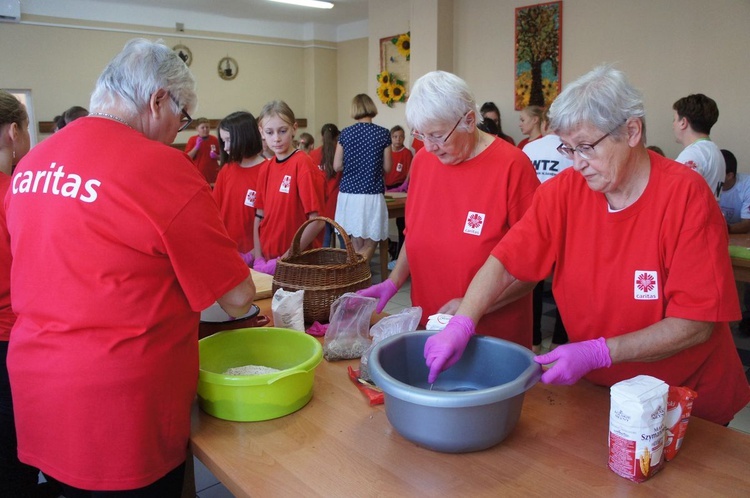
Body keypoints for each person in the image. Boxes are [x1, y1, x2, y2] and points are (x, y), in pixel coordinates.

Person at [423, 65, 750, 426]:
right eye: (568, 148)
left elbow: (695, 323)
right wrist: (464, 321)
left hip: (682, 401)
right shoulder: (565, 193)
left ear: (631, 131)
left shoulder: (685, 196)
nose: (577, 163)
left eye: (586, 148)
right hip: (600, 393)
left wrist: (600, 351)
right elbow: (505, 260)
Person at [5, 38, 256, 496]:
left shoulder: (32, 163)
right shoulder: (160, 167)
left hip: (40, 385)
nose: (179, 132)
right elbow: (238, 298)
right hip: (119, 406)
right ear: (158, 99)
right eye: (182, 118)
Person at [357, 71, 539, 347]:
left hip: (492, 336)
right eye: (420, 135)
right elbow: (413, 234)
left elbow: (532, 268)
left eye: (438, 136)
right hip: (428, 324)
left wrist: (471, 307)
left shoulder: (513, 166)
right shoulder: (423, 162)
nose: (429, 147)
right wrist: (394, 280)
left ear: (468, 120)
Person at [521, 107, 573, 353]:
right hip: (567, 225)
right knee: (566, 283)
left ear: (543, 124)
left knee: (531, 284)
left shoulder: (529, 149)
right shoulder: (571, 152)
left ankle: (532, 339)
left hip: (534, 224)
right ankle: (559, 341)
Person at [253, 100, 324, 267]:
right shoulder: (265, 168)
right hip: (269, 257)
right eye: (270, 132)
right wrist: (258, 257)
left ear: (294, 128)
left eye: (282, 131)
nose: (276, 138)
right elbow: (259, 216)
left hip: (297, 262)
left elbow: (317, 221)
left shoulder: (303, 164)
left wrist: (284, 259)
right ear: (261, 132)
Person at [334, 94, 392, 262]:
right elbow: (388, 167)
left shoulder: (345, 133)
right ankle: (360, 274)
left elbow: (337, 165)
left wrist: (353, 166)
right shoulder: (382, 133)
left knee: (355, 244)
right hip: (371, 193)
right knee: (371, 241)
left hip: (349, 194)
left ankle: (356, 277)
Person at [213, 111, 267, 266]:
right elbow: (215, 211)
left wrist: (254, 254)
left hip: (255, 256)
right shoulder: (227, 170)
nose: (226, 147)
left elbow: (269, 222)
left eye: (229, 140)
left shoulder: (266, 170)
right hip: (227, 252)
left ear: (245, 137)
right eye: (223, 141)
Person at [672, 93, 725, 199]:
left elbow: (677, 196)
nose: (673, 125)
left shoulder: (692, 154)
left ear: (683, 122)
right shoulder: (715, 152)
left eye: (674, 119)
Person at [309, 123, 342, 247]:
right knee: (344, 238)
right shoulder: (340, 153)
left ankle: (324, 265)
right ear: (337, 137)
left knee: (324, 238)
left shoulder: (312, 154)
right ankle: (350, 264)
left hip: (320, 200)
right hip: (336, 201)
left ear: (322, 136)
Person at [384, 125, 413, 266]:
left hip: (400, 189)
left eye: (401, 137)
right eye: (395, 137)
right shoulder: (387, 151)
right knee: (382, 222)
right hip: (386, 189)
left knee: (401, 223)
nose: (398, 139)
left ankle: (399, 256)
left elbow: (410, 171)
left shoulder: (407, 153)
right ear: (391, 138)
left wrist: (404, 185)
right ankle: (389, 247)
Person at [186, 117, 221, 185]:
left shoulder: (214, 139)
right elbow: (188, 157)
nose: (205, 129)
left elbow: (223, 157)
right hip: (198, 174)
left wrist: (217, 156)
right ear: (197, 129)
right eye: (202, 127)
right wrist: (196, 147)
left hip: (213, 174)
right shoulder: (192, 140)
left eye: (207, 127)